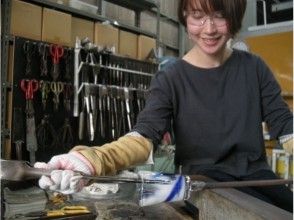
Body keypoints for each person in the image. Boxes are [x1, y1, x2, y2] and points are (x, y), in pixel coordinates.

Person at [35, 0, 293, 212]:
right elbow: (145, 136)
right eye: (198, 16)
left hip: (260, 183)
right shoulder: (171, 78)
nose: (209, 28)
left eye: (219, 16)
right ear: (184, 15)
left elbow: (285, 124)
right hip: (204, 188)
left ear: (234, 17)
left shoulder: (253, 67)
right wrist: (92, 160)